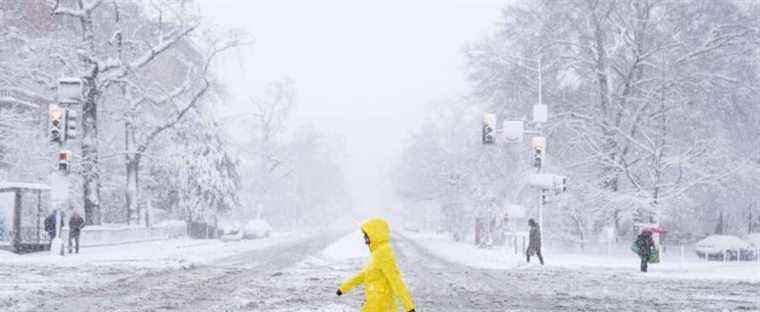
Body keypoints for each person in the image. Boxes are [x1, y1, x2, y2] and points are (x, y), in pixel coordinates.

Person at [336, 218, 416, 312]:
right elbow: (364, 274)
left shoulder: (384, 254)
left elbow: (396, 281)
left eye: (366, 235)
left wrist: (409, 307)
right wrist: (343, 288)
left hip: (381, 307)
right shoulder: (378, 254)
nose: (364, 238)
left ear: (375, 235)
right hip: (373, 305)